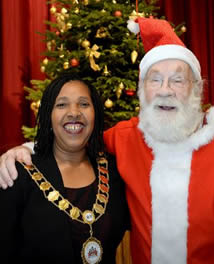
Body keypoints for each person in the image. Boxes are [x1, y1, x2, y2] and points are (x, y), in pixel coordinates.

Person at [0, 17, 214, 264]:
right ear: (142, 90)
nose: (165, 90)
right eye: (155, 80)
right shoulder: (126, 137)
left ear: (197, 88)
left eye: (178, 80)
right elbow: (75, 140)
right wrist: (24, 150)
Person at [0, 73, 129, 264]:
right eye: (62, 104)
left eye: (84, 104)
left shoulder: (115, 171)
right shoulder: (17, 174)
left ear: (96, 114)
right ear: (48, 116)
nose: (74, 112)